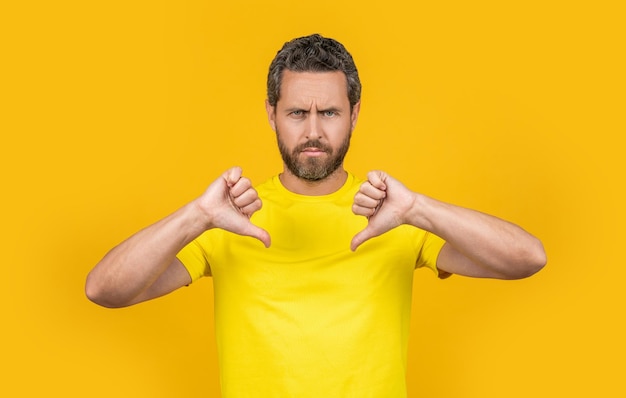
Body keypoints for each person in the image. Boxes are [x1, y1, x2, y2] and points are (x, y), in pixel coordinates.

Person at [86, 34, 546, 397]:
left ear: (355, 113)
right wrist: (196, 216)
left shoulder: (393, 215)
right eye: (295, 112)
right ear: (271, 114)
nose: (312, 131)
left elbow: (527, 258)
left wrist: (419, 209)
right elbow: (105, 290)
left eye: (328, 112)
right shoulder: (230, 217)